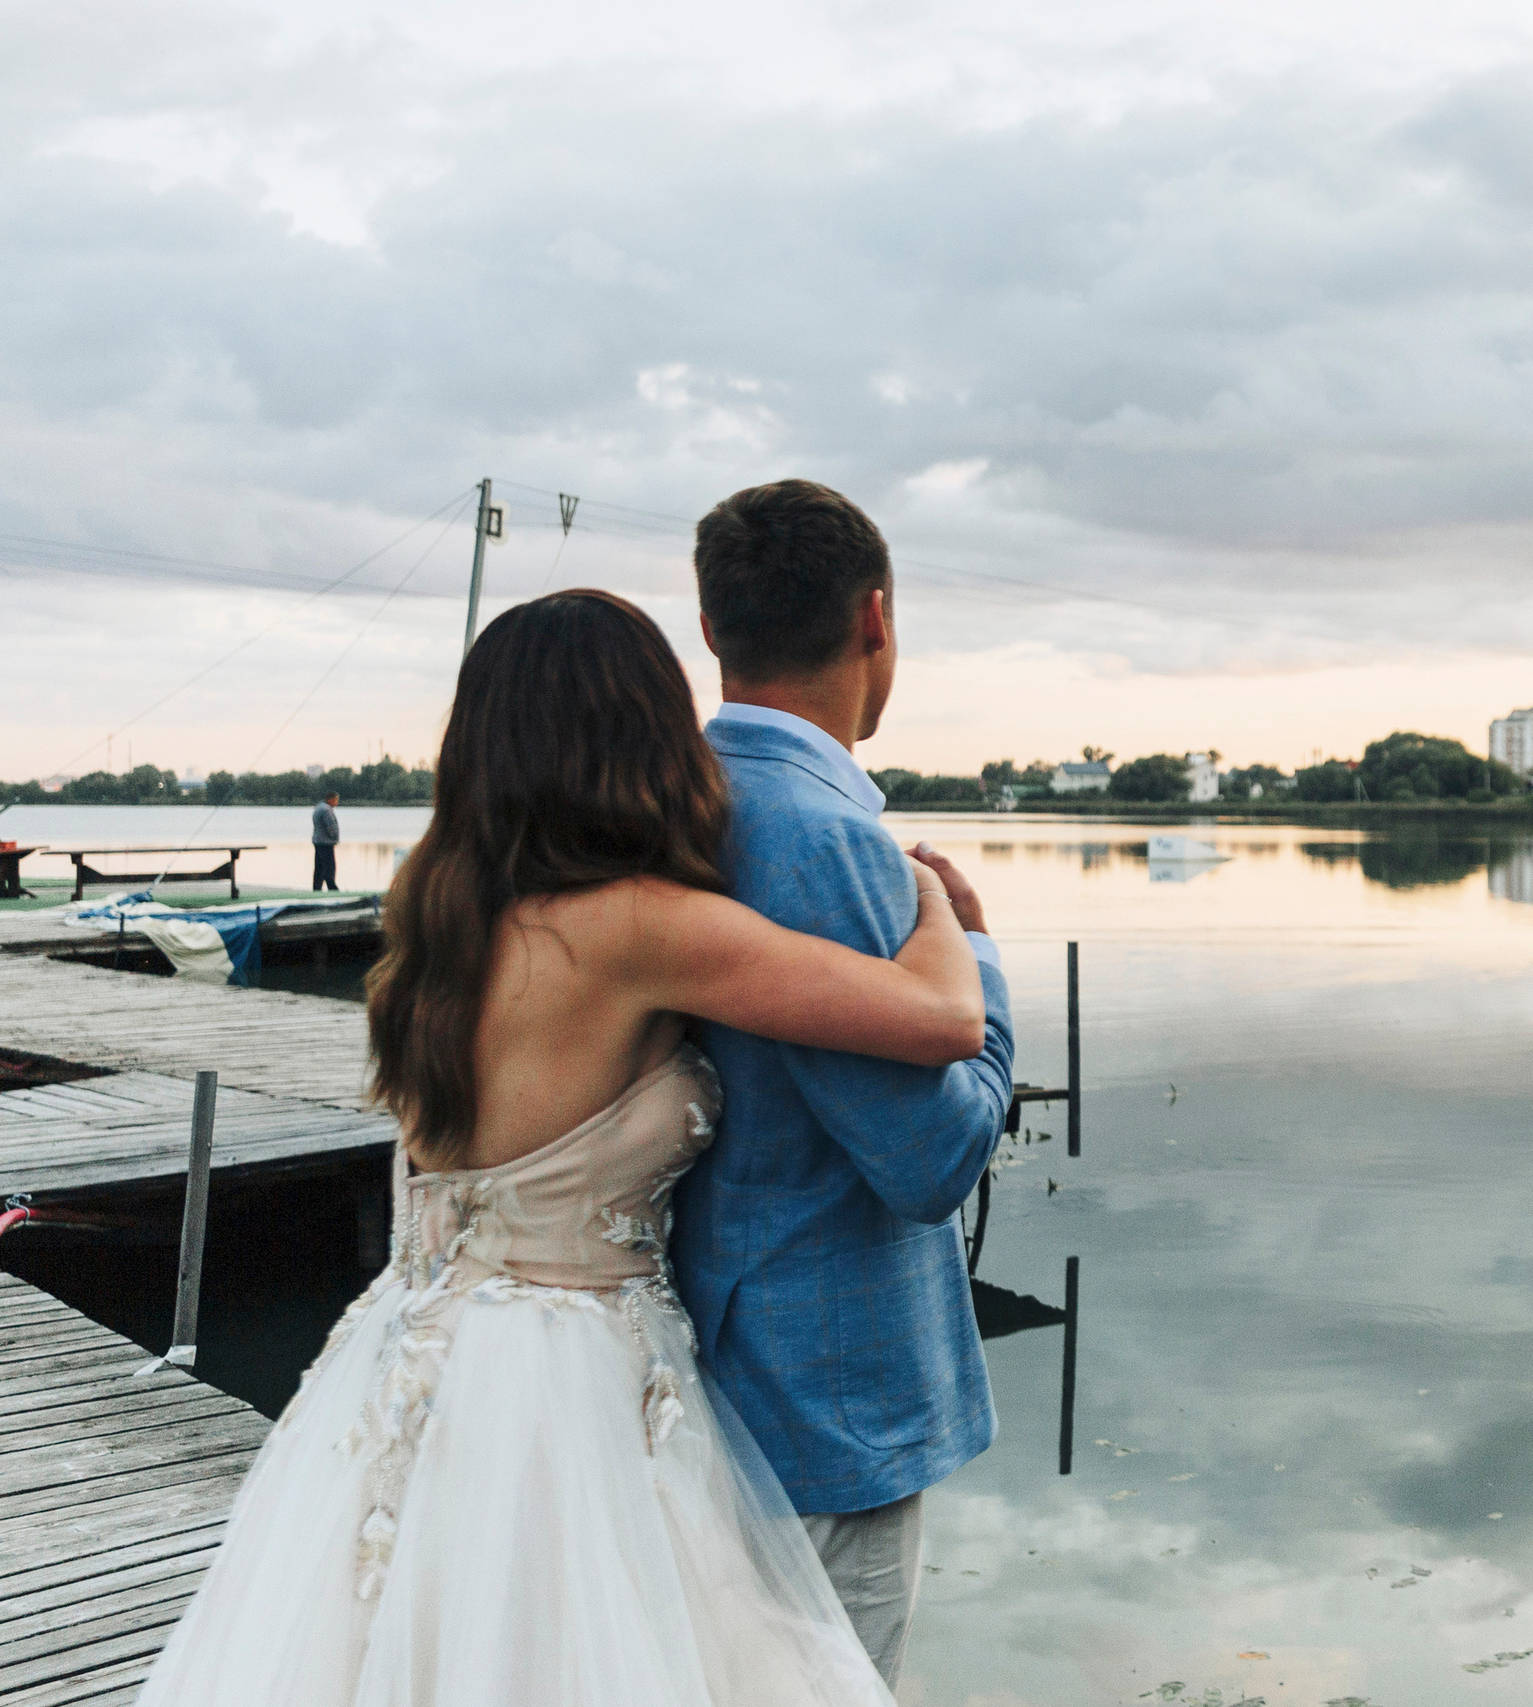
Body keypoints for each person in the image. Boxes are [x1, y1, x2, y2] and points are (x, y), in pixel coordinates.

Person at [134, 589, 997, 1706]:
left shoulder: (439, 912)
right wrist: (949, 917)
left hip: (408, 1352)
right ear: (639, 733)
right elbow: (941, 1022)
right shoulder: (638, 928)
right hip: (569, 1382)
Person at [672, 480, 1014, 1689]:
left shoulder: (673, 800)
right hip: (819, 1400)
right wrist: (977, 960)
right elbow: (929, 1162)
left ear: (712, 629)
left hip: (708, 1366)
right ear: (876, 619)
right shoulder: (820, 834)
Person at [310, 790, 340, 890]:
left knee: (319, 867)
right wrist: (335, 838)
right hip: (326, 843)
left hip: (318, 841)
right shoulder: (327, 810)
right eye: (336, 800)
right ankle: (332, 889)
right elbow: (331, 827)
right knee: (329, 867)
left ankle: (317, 889)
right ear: (331, 799)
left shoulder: (319, 807)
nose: (337, 803)